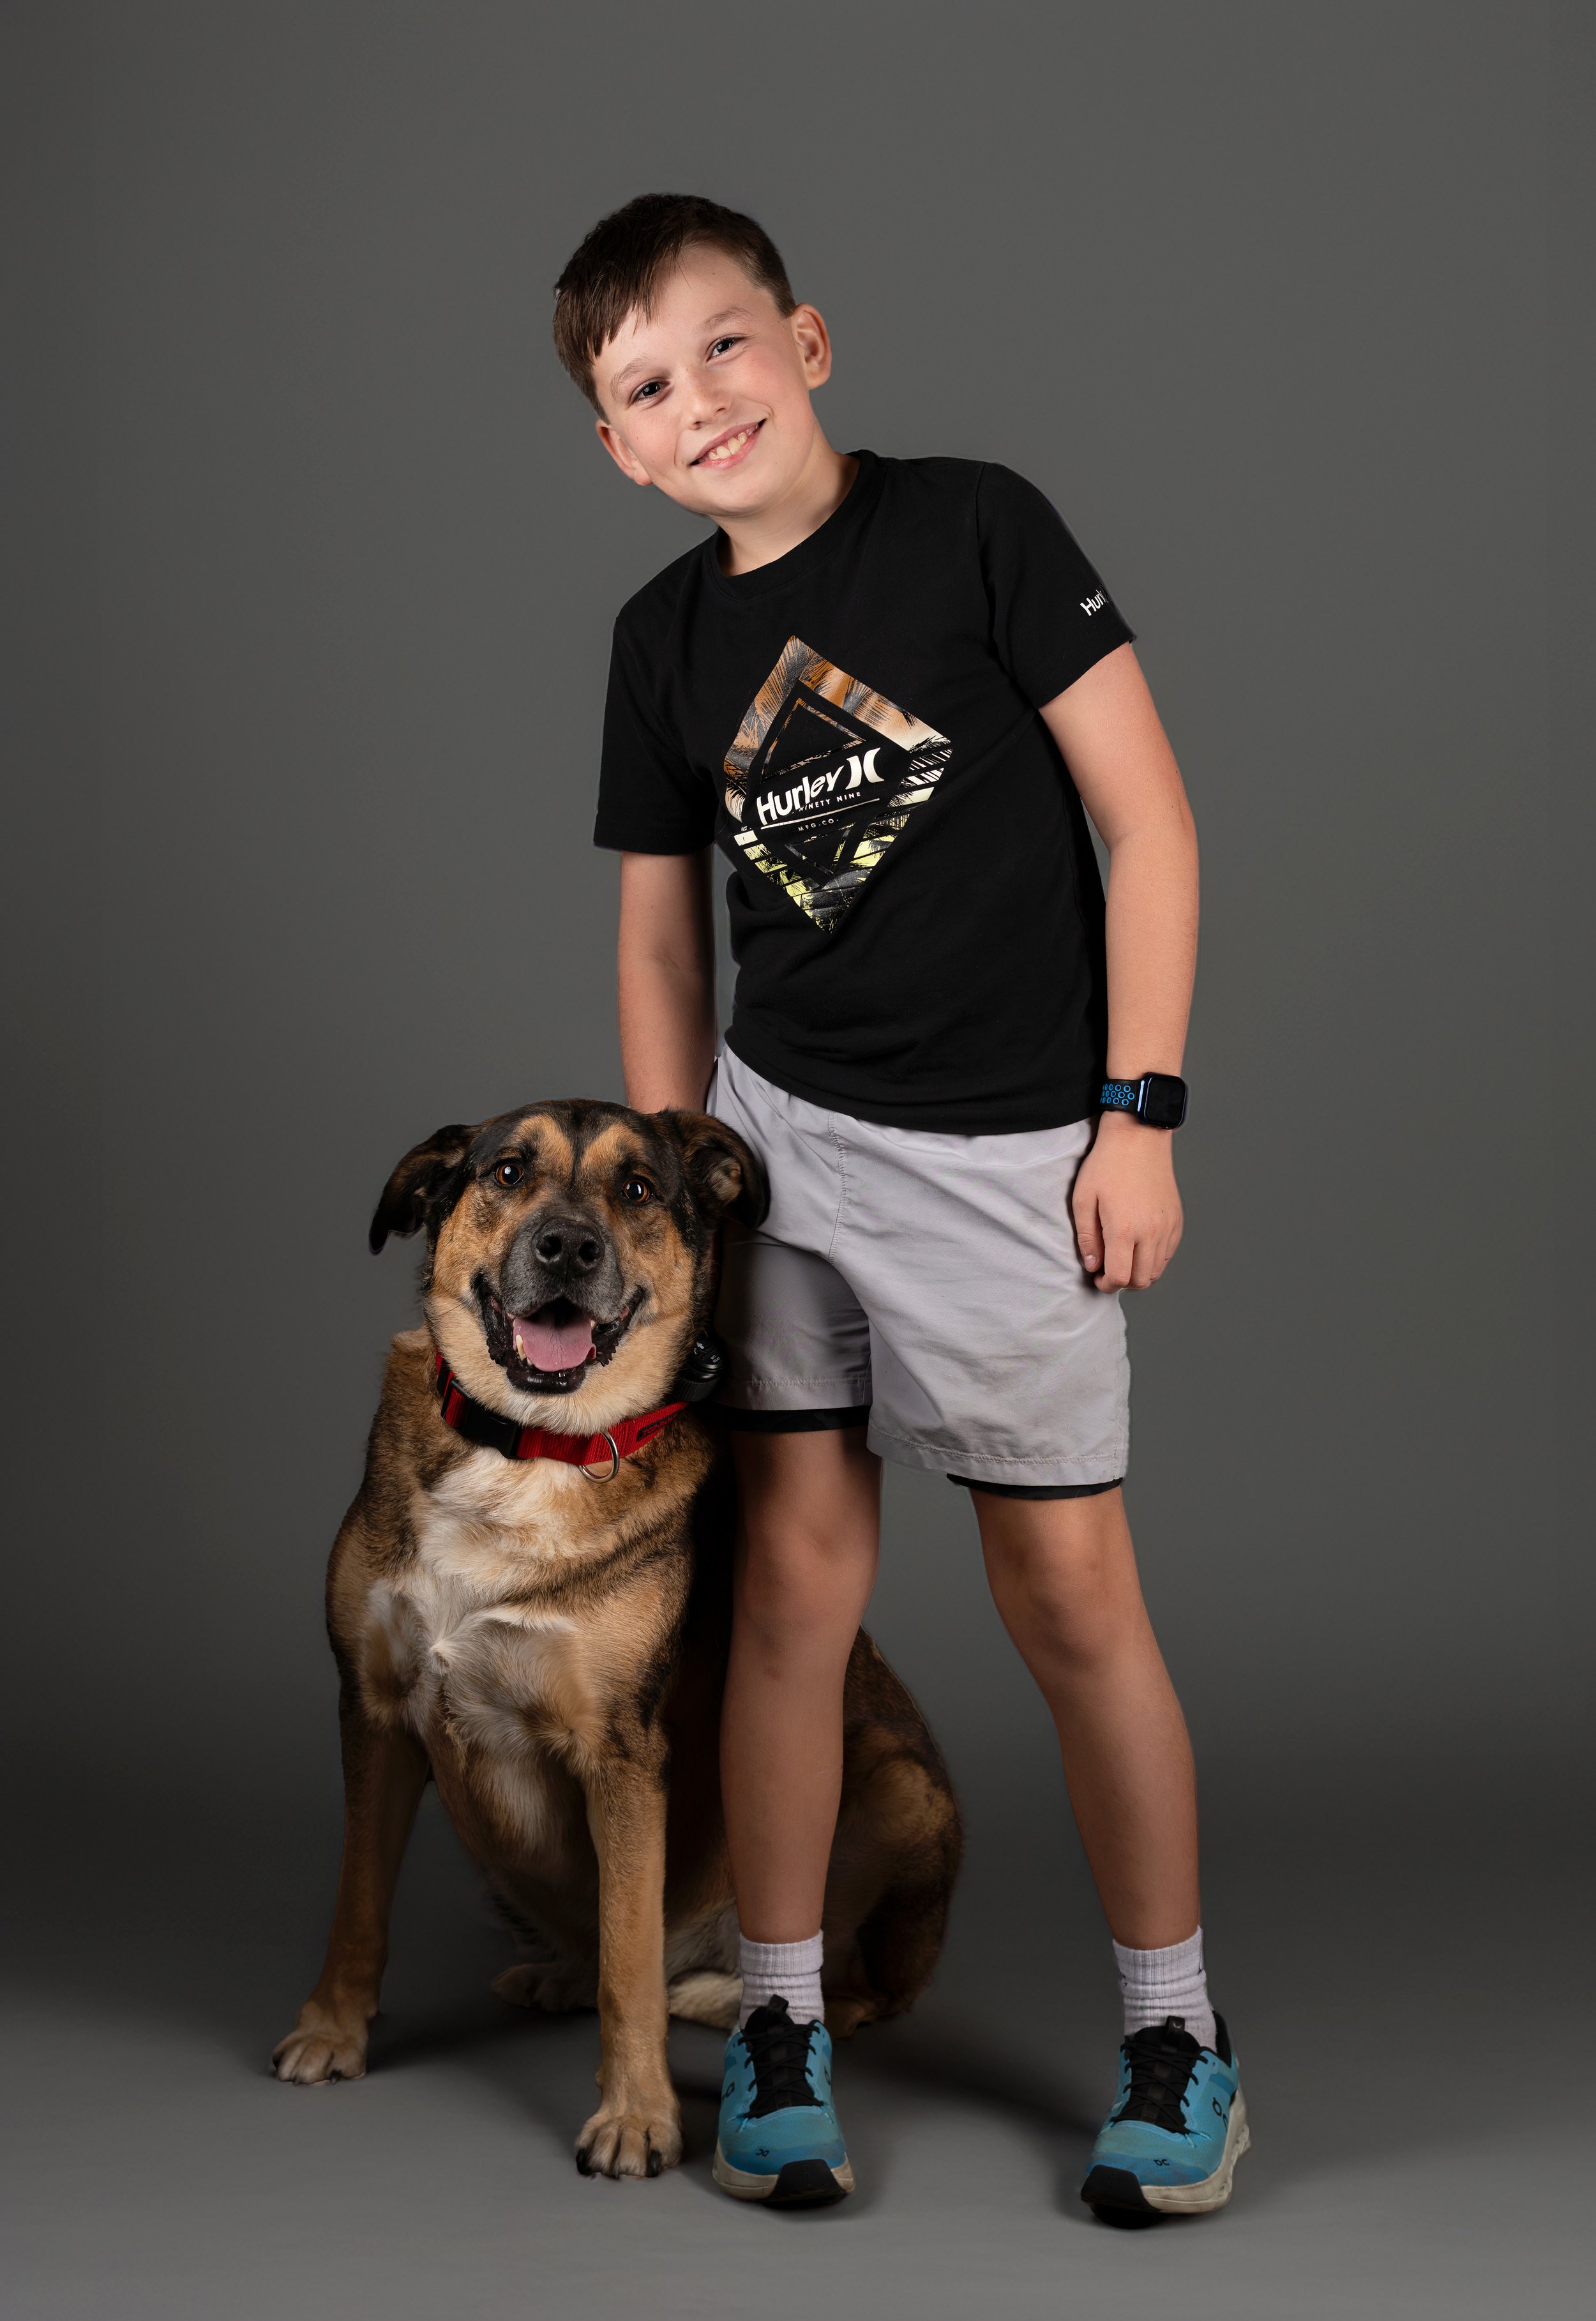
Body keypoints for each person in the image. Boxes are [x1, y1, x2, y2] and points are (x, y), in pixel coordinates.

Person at [552, 192, 1247, 2222]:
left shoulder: (975, 528)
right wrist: (677, 1197)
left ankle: (1177, 2035)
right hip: (778, 1160)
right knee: (783, 1598)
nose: (702, 403)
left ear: (810, 341)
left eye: (725, 347)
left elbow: (1148, 821)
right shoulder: (660, 642)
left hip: (1009, 1157)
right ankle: (775, 2020)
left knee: (1067, 1603)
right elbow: (665, 949)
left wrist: (1141, 1114)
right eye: (647, 389)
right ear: (615, 445)